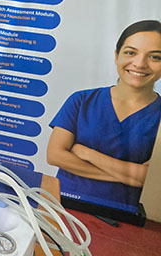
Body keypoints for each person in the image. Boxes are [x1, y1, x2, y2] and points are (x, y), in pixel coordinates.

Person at [47, 20, 161, 209]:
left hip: (125, 214)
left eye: (155, 57)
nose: (140, 64)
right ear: (117, 56)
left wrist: (88, 154)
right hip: (64, 206)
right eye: (131, 52)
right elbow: (54, 155)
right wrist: (129, 176)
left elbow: (150, 178)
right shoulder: (81, 100)